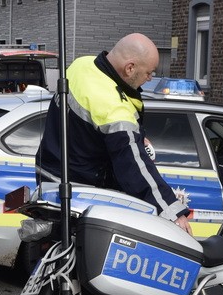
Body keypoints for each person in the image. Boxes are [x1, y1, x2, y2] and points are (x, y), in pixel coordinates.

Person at [36, 33, 192, 234]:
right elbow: (134, 166)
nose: (150, 78)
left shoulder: (81, 65)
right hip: (79, 192)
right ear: (130, 68)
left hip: (49, 175)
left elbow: (84, 128)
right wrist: (171, 212)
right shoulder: (114, 108)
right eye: (148, 73)